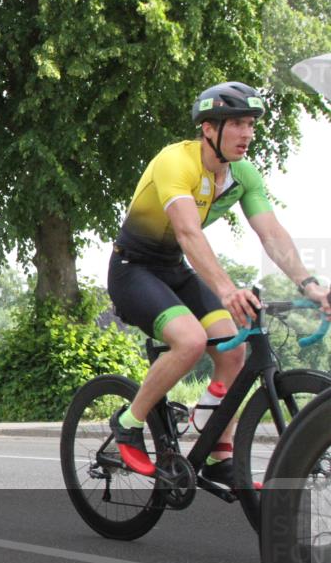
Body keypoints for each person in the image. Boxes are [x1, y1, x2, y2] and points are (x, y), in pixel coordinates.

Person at [107, 81, 331, 487]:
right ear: (209, 128)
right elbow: (189, 233)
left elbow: (271, 234)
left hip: (174, 269)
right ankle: (128, 421)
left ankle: (216, 448)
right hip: (133, 269)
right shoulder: (176, 161)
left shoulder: (243, 175)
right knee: (191, 341)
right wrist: (227, 290)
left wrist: (311, 285)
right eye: (238, 124)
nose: (248, 134)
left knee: (234, 347)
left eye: (251, 125)